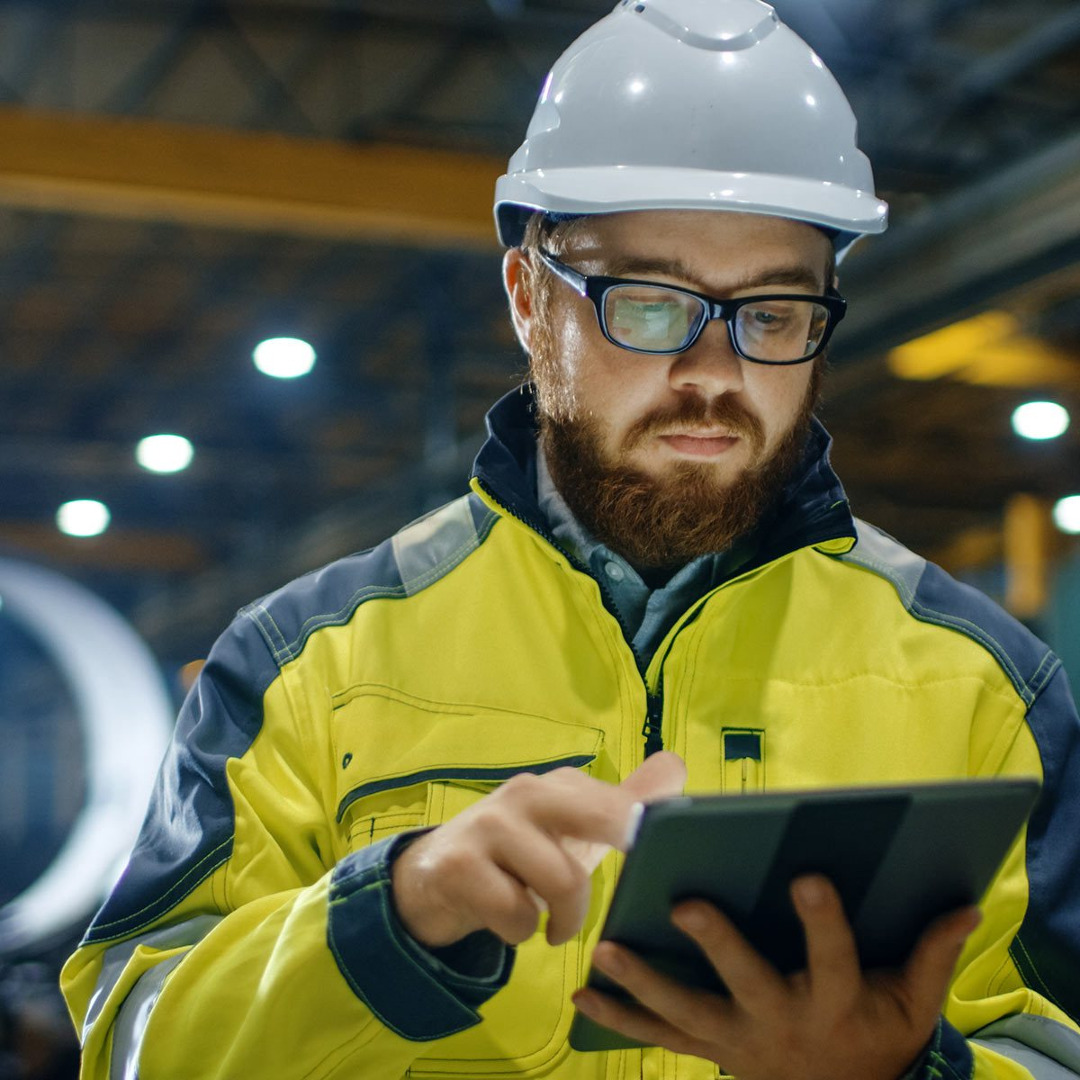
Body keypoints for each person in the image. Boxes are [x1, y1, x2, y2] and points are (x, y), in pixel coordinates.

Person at [61, 1, 1080, 1078]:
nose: (714, 374)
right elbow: (135, 1042)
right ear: (527, 301)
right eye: (647, 305)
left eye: (774, 315)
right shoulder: (307, 664)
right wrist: (388, 918)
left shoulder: (985, 687)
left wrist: (903, 1073)